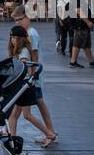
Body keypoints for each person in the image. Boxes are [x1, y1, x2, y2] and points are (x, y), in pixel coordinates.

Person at [8, 11, 58, 147]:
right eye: (11, 37)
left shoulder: (29, 40)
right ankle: (13, 140)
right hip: (27, 83)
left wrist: (33, 76)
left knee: (28, 114)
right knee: (16, 114)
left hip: (27, 84)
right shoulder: (24, 43)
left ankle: (49, 133)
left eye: (20, 19)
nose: (12, 40)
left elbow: (28, 62)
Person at [69, 3, 94, 69]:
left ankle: (91, 61)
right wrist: (88, 22)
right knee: (77, 44)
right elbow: (78, 11)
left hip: (84, 26)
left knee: (87, 45)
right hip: (80, 26)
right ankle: (72, 62)